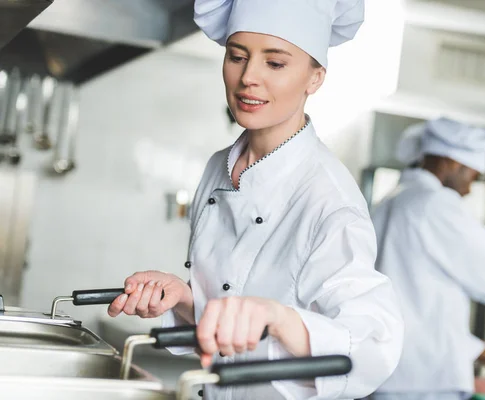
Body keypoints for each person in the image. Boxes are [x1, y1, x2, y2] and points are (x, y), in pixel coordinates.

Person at [107, 1, 404, 399]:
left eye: (275, 64)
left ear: (315, 78)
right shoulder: (218, 168)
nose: (248, 78)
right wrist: (182, 297)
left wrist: (278, 318)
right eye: (237, 56)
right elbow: (227, 320)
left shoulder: (328, 200)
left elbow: (373, 347)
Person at [371, 117, 485, 400]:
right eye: (472, 177)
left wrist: (484, 354)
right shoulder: (433, 204)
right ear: (452, 164)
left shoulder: (388, 203)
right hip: (423, 384)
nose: (469, 189)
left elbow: (414, 310)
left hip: (387, 375)